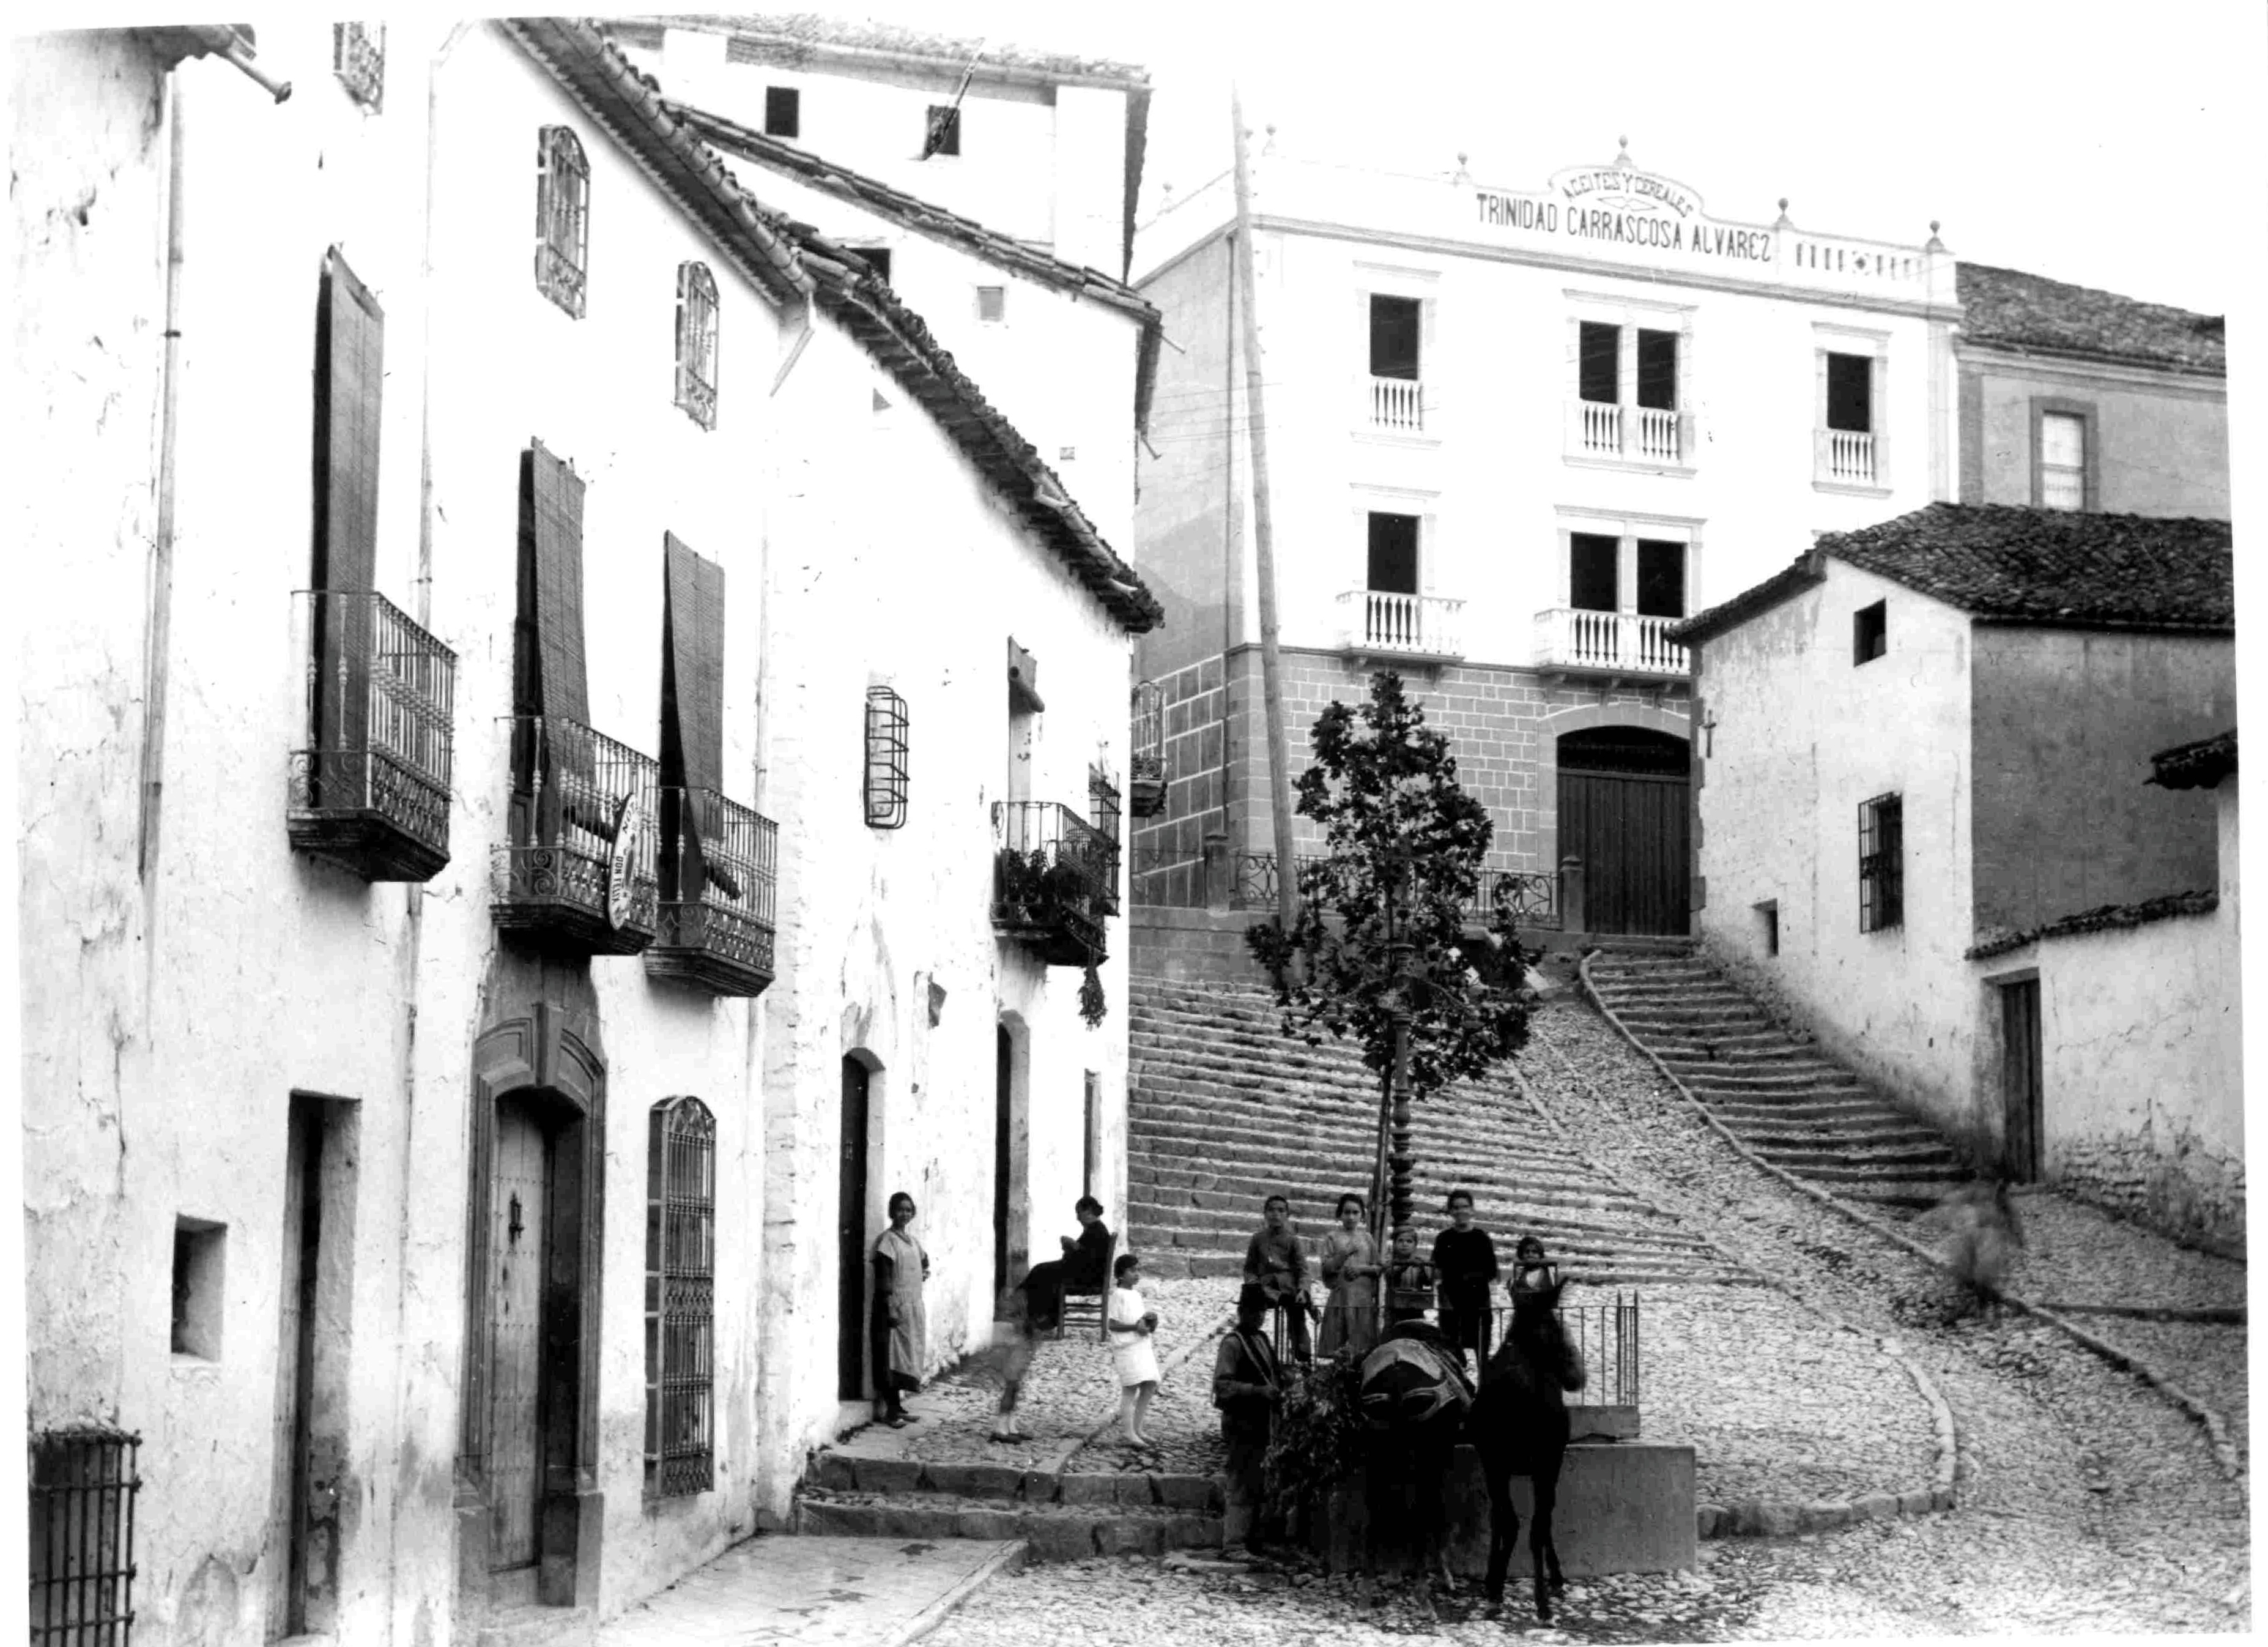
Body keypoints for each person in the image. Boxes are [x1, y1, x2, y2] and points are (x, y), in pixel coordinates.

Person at [1213, 1282, 1283, 1559]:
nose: (1260, 1317)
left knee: (1258, 1481)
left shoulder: (1262, 1340)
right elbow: (1223, 1386)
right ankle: (1233, 1545)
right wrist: (1258, 1392)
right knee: (1241, 1480)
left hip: (1261, 1422)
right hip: (1240, 1422)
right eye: (1255, 1312)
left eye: (1263, 1312)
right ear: (1242, 1312)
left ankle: (1252, 1539)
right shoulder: (1232, 1344)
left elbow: (1272, 1373)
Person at [870, 1191, 929, 1427]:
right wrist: (890, 1308)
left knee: (906, 1356)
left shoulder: (913, 1241)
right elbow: (883, 1278)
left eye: (908, 1210)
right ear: (892, 1212)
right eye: (899, 1209)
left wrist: (925, 1272)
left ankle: (897, 1406)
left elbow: (924, 1261)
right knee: (891, 1358)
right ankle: (890, 1412)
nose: (904, 1214)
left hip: (912, 1307)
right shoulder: (887, 1241)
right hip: (892, 1307)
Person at [1431, 1189, 1500, 1372]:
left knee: (1482, 1355)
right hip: (1452, 1306)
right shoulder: (1444, 1238)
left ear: (1472, 1210)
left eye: (1465, 1207)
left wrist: (1470, 1278)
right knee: (1452, 1356)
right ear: (1450, 1211)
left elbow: (1492, 1271)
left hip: (1478, 1304)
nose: (1460, 1211)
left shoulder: (1482, 1238)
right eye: (1456, 1207)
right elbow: (1437, 1270)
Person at [1018, 1194, 1113, 1326]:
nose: (1077, 1218)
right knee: (1042, 1270)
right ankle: (1045, 1316)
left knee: (1042, 1272)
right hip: (1086, 1274)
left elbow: (1089, 1260)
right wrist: (1071, 1247)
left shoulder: (1098, 1231)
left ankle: (1042, 1317)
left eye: (1079, 1213)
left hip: (1089, 1279)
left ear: (1089, 1212)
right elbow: (1084, 1256)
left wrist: (1074, 1246)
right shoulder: (1095, 1230)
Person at [1242, 1194, 1314, 1364]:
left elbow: (1303, 1270)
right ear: (1265, 1214)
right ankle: (1246, 1348)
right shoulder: (1258, 1239)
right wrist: (1251, 1281)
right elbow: (1249, 1268)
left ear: (1287, 1215)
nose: (1276, 1214)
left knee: (1297, 1311)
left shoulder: (1293, 1241)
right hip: (1265, 1287)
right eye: (1271, 1210)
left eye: (1281, 1211)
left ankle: (1303, 1355)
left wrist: (1304, 1290)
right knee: (1249, 1300)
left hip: (1287, 1288)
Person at [1317, 1192, 1382, 1358]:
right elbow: (1327, 1269)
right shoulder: (1332, 1238)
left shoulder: (1367, 1238)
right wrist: (1343, 1254)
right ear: (1340, 1214)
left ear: (1362, 1216)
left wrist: (1362, 1270)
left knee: (1362, 1349)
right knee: (1338, 1349)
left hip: (1362, 1299)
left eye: (1356, 1213)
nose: (1351, 1217)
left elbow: (1378, 1267)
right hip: (1341, 1297)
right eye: (1347, 1212)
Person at [1108, 1252, 1162, 1445]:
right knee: (1130, 1388)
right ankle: (1129, 1432)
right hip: (1126, 1347)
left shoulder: (1136, 1294)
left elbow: (1138, 1320)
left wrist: (1148, 1324)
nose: (1137, 1274)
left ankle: (1138, 1428)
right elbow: (1112, 1325)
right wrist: (1134, 1327)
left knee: (1149, 1384)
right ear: (1121, 1275)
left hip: (1141, 1346)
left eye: (1138, 1270)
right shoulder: (1118, 1295)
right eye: (1132, 1271)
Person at [989, 1282, 1039, 1442]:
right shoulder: (1009, 1297)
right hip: (1009, 1345)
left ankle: (1011, 1426)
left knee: (1015, 1388)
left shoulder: (1018, 1294)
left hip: (1016, 1344)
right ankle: (1000, 1429)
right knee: (1011, 1388)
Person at [1510, 1234, 1557, 1298]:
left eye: (1534, 1252)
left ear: (1540, 1255)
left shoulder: (1550, 1271)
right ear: (1522, 1255)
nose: (1530, 1254)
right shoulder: (1518, 1274)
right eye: (1527, 1252)